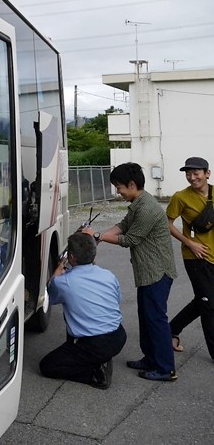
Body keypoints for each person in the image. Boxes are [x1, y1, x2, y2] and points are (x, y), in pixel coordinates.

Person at [83, 162, 178, 381]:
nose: (119, 192)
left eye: (119, 187)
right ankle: (151, 358)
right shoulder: (138, 203)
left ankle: (166, 369)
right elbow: (123, 225)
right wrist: (98, 237)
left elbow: (130, 239)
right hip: (147, 272)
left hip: (157, 272)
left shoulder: (147, 209)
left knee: (156, 320)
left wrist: (97, 236)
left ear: (132, 184)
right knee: (146, 318)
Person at [39, 232, 127, 389]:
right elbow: (117, 300)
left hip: (95, 344)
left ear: (71, 257)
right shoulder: (108, 275)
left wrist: (56, 274)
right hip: (119, 335)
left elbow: (51, 298)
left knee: (47, 365)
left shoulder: (64, 282)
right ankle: (100, 359)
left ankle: (95, 374)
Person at [166, 156, 214, 360]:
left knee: (204, 300)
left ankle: (171, 330)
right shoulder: (180, 197)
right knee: (208, 303)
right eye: (188, 174)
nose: (192, 177)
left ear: (207, 173)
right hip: (195, 256)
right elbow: (167, 224)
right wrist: (189, 243)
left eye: (196, 173)